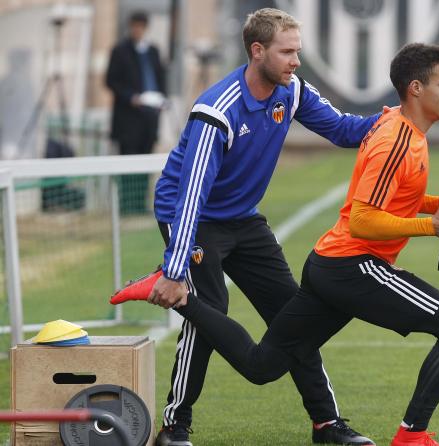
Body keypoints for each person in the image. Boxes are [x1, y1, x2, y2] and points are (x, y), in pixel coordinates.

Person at [114, 43, 439, 446]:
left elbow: (365, 161)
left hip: (313, 256)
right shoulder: (393, 138)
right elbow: (361, 219)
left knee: (261, 365)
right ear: (415, 88)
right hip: (337, 261)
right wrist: (432, 226)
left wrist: (433, 205)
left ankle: (324, 422)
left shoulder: (397, 131)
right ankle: (411, 436)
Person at [115, 7, 382, 446]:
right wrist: (176, 268)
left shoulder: (291, 90)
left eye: (298, 50)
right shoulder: (216, 111)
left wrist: (397, 122)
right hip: (192, 219)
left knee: (293, 314)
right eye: (287, 51)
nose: (296, 61)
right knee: (210, 310)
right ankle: (174, 427)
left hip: (243, 218)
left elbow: (343, 130)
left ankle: (327, 424)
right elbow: (190, 195)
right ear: (258, 51)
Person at [106, 10, 166, 214]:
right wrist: (131, 97)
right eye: (135, 26)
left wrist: (162, 99)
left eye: (141, 26)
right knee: (128, 161)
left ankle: (140, 204)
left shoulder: (153, 51)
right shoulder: (120, 51)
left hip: (149, 117)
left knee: (146, 160)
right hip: (128, 119)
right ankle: (127, 206)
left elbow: (161, 78)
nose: (137, 30)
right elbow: (110, 81)